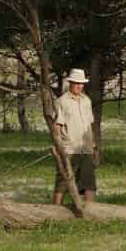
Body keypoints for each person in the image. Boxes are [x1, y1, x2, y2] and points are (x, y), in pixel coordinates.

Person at [53, 68, 99, 205]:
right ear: (70, 83)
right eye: (76, 83)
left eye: (81, 83)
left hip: (86, 148)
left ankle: (91, 212)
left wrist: (94, 146)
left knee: (89, 182)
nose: (79, 86)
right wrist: (58, 147)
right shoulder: (62, 101)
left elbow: (89, 125)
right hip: (69, 148)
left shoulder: (87, 101)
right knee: (63, 180)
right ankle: (54, 211)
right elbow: (57, 126)